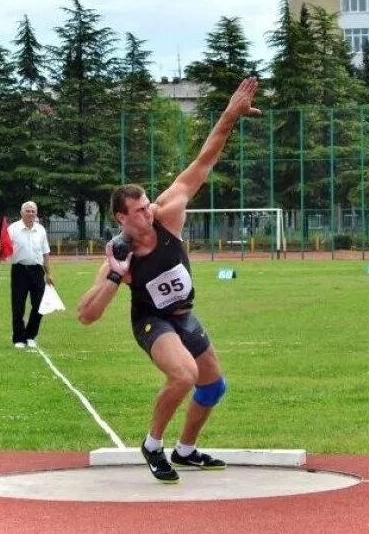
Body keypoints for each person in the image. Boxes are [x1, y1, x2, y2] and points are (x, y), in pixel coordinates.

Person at [77, 76, 261, 483]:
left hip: (183, 314)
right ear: (121, 218)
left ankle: (186, 449)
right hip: (151, 321)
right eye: (139, 210)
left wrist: (231, 114)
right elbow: (86, 315)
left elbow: (204, 159)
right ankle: (153, 444)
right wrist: (114, 275)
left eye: (147, 205)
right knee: (184, 375)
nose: (148, 212)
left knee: (213, 387)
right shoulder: (119, 253)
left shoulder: (169, 213)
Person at [3, 201, 54, 349]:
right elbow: (5, 247)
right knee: (18, 305)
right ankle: (18, 337)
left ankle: (30, 335)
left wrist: (48, 273)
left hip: (37, 270)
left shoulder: (41, 230)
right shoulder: (13, 229)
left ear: (36, 213)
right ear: (21, 212)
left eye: (33, 211)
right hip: (19, 270)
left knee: (39, 305)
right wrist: (0, 247)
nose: (30, 214)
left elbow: (45, 253)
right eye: (28, 211)